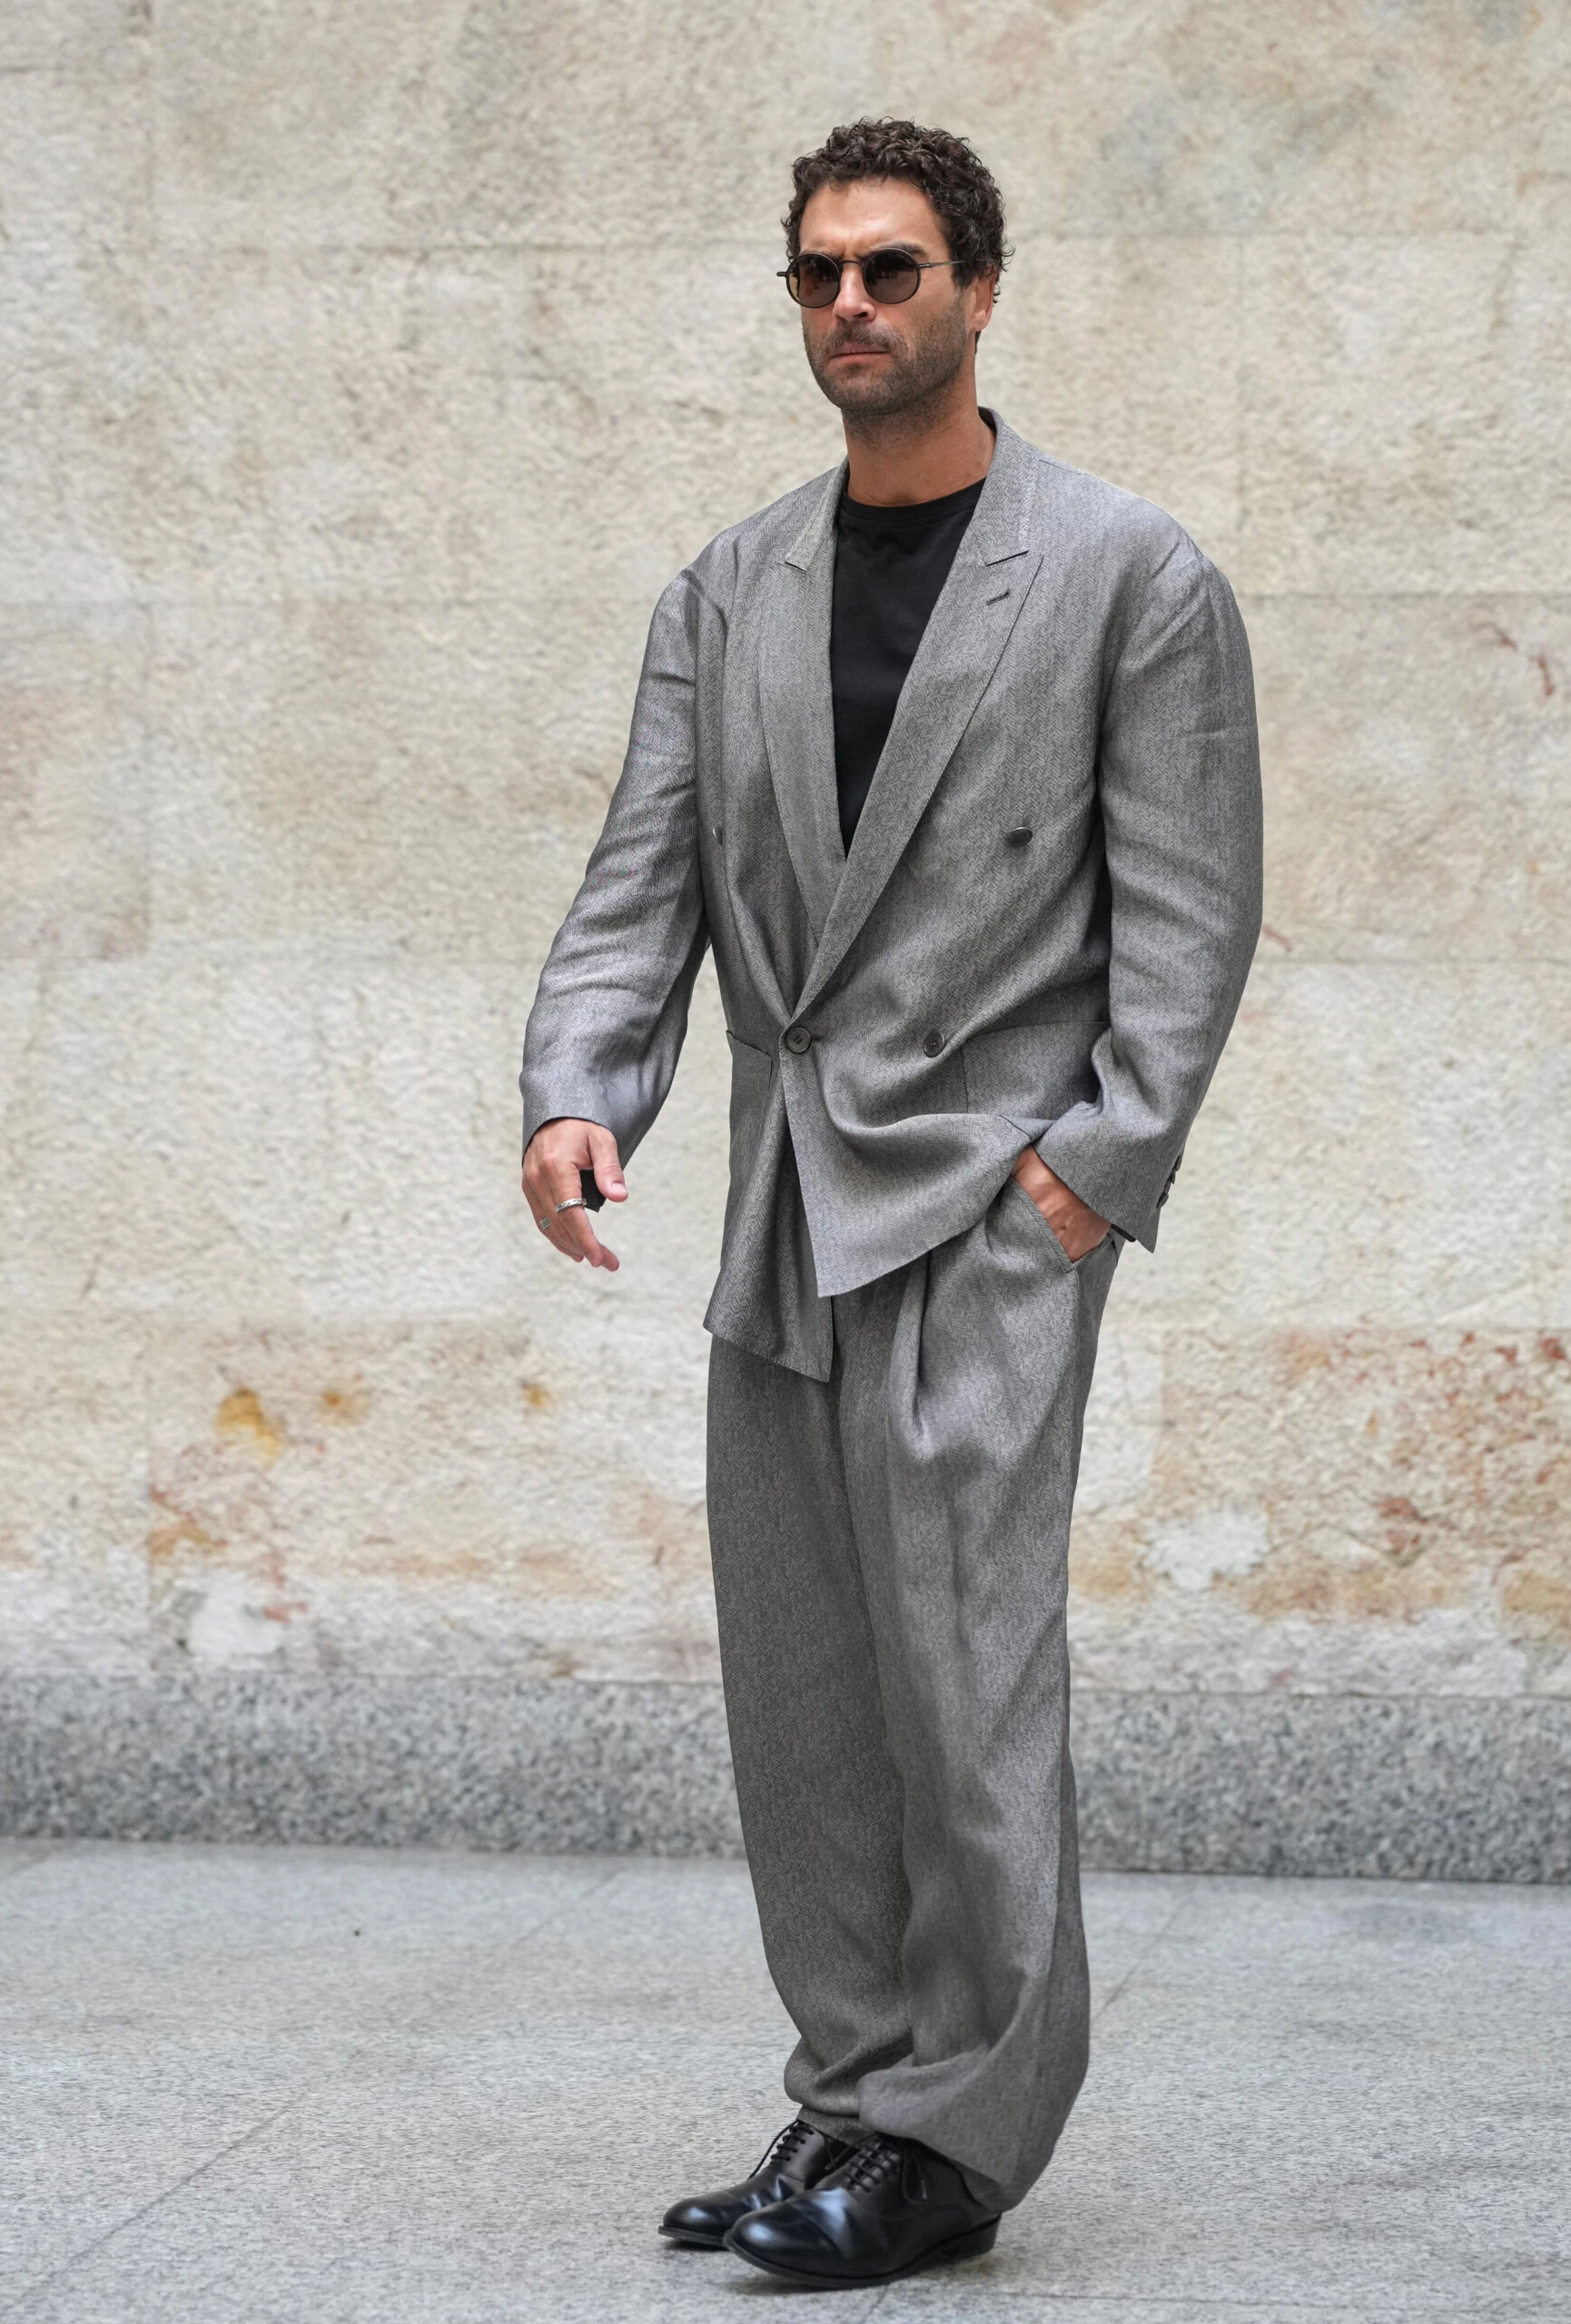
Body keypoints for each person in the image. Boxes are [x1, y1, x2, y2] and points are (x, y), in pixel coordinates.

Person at [519, 117, 1262, 2290]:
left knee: (964, 1674)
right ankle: (852, 2091)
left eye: (894, 268)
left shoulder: (1127, 572)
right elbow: (635, 875)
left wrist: (1088, 1177)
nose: (853, 305)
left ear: (978, 290)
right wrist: (583, 1088)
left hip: (986, 1198)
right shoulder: (728, 583)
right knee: (811, 1680)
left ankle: (957, 2135)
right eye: (820, 274)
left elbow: (1191, 915)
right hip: (785, 1200)